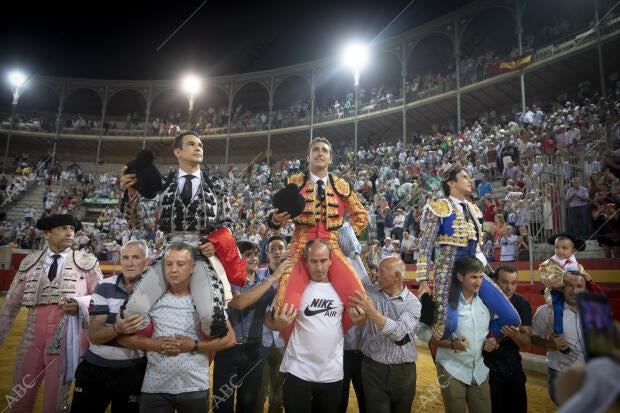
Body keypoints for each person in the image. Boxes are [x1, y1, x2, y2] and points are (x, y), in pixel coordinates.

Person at [119, 131, 245, 337]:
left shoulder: (217, 185)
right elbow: (137, 222)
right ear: (177, 151)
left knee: (211, 319)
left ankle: (196, 355)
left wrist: (216, 244)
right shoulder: (161, 184)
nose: (198, 148)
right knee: (131, 313)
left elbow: (228, 223)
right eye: (192, 144)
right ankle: (157, 344)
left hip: (202, 256)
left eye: (200, 145)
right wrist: (132, 194)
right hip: (169, 256)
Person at [0, 214, 103, 413]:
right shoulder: (30, 263)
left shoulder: (87, 262)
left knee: (54, 404)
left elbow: (101, 299)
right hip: (30, 341)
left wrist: (81, 304)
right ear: (47, 233)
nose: (70, 233)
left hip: (65, 343)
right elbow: (9, 308)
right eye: (63, 228)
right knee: (19, 399)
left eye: (72, 229)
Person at [268, 137, 368, 341]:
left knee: (360, 302)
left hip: (332, 248)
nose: (320, 153)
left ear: (330, 158)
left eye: (324, 150)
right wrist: (276, 219)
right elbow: (276, 220)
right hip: (300, 248)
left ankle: (329, 337)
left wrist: (344, 237)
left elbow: (361, 216)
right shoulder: (295, 182)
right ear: (308, 157)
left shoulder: (341, 185)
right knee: (283, 308)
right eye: (315, 150)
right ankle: (293, 350)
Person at [117, 242, 236, 413]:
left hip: (194, 386)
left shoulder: (205, 301)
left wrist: (194, 346)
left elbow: (230, 339)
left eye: (180, 264)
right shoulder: (151, 299)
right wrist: (154, 344)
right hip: (155, 387)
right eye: (169, 264)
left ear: (192, 267)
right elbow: (122, 337)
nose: (173, 269)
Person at [415, 165, 519, 339]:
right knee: (447, 326)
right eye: (464, 177)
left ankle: (476, 337)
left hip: (474, 269)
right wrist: (423, 282)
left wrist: (487, 272)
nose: (470, 180)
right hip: (448, 271)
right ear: (451, 183)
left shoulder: (473, 209)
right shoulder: (438, 207)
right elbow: (425, 246)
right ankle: (426, 332)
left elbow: (477, 249)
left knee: (512, 318)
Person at [265, 239, 350, 413]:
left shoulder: (342, 289)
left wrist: (361, 319)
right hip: (298, 372)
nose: (319, 267)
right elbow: (268, 317)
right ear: (305, 261)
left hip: (331, 373)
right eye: (313, 261)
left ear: (330, 260)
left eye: (323, 261)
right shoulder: (293, 286)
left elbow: (357, 320)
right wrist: (276, 324)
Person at [70, 240, 151, 413]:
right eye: (125, 257)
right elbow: (93, 335)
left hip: (134, 370)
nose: (129, 263)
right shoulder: (104, 286)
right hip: (95, 370)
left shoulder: (156, 292)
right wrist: (117, 329)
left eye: (135, 257)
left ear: (147, 262)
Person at [213, 241, 292, 413]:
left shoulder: (266, 284)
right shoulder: (226, 281)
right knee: (222, 406)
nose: (254, 258)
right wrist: (272, 278)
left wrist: (281, 323)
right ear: (237, 259)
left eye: (255, 254)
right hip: (228, 350)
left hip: (254, 352)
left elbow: (271, 316)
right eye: (247, 255)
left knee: (249, 406)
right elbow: (239, 302)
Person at [419, 256, 494, 413]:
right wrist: (451, 344)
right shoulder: (442, 302)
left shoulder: (486, 302)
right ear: (460, 277)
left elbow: (496, 330)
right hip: (451, 368)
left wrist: (494, 341)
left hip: (479, 370)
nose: (478, 282)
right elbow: (423, 333)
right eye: (473, 277)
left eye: (480, 277)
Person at [349, 256, 421, 413]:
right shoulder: (369, 292)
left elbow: (399, 333)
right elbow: (360, 322)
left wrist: (371, 312)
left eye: (382, 272)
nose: (376, 275)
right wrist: (359, 318)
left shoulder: (413, 303)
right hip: (372, 369)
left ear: (397, 276)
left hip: (403, 372)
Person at [531, 271, 588, 404]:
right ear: (562, 287)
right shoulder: (546, 311)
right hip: (561, 373)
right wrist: (549, 344)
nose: (574, 290)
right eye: (569, 285)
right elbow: (533, 337)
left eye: (579, 286)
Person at [484, 265, 532, 413]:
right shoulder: (482, 302)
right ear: (494, 281)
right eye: (504, 282)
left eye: (514, 282)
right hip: (486, 370)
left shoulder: (522, 304)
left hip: (513, 369)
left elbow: (526, 342)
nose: (509, 287)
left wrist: (514, 335)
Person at [538, 233, 596, 354]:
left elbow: (585, 277)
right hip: (555, 291)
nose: (560, 251)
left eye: (564, 248)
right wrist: (562, 277)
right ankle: (558, 334)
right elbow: (543, 276)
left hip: (573, 293)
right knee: (555, 307)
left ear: (573, 250)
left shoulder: (577, 266)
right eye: (557, 247)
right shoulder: (549, 263)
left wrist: (587, 278)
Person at [255, 235, 289, 413]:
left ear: (286, 251)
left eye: (280, 248)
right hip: (260, 340)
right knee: (258, 395)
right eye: (272, 249)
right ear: (266, 253)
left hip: (284, 343)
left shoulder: (294, 278)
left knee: (279, 396)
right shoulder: (257, 276)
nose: (277, 252)